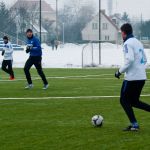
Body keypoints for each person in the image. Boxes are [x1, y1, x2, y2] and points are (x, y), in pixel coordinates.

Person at [115, 23, 150, 131]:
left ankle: (134, 125)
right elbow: (145, 59)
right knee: (134, 101)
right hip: (141, 77)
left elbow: (129, 60)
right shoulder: (138, 42)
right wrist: (138, 68)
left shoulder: (127, 43)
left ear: (124, 32)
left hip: (132, 78)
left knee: (124, 100)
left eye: (121, 32)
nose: (121, 35)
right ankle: (134, 124)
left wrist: (119, 72)